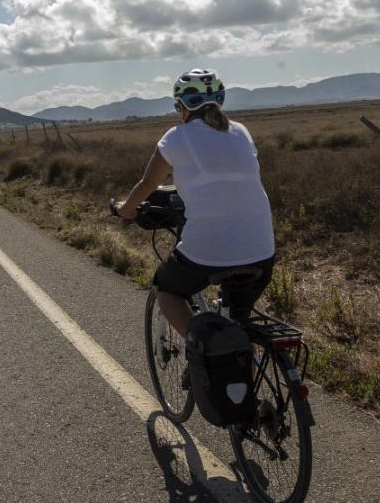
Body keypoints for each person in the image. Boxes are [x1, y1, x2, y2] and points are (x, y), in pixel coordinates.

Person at [116, 69, 275, 337]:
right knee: (239, 325)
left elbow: (148, 184)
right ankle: (237, 361)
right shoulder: (241, 131)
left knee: (167, 289)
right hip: (262, 252)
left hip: (207, 251)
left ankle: (200, 347)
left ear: (181, 107)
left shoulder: (176, 137)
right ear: (220, 101)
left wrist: (125, 210)